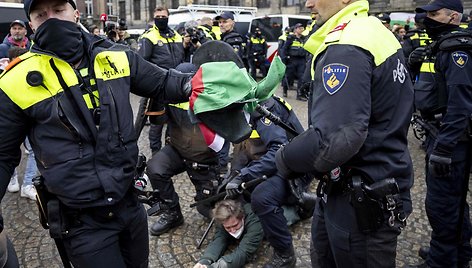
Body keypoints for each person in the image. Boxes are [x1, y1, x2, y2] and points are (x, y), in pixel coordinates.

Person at [0, 0, 192, 267]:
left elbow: (164, 82)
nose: (52, 19)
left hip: (129, 203)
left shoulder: (116, 55)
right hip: (81, 222)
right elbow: (2, 154)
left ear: (76, 13)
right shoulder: (14, 80)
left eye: (58, 10)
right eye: (41, 15)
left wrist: (208, 84)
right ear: (31, 24)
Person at [275, 0, 414, 267]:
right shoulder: (373, 29)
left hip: (359, 199)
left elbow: (335, 139)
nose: (308, 3)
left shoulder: (347, 43)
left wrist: (282, 160)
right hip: (364, 183)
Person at [411, 1, 472, 267]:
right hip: (440, 133)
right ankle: (457, 251)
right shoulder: (441, 46)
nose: (427, 18)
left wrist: (445, 148)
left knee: (442, 204)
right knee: (453, 201)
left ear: (453, 17)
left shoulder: (458, 50)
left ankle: (442, 259)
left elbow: (460, 105)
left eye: (434, 14)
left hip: (452, 140)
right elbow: (437, 90)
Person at [225, 95, 312, 268]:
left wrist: (244, 175)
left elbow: (277, 152)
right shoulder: (241, 106)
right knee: (236, 192)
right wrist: (234, 176)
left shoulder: (263, 109)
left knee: (262, 197)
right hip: (273, 164)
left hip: (294, 168)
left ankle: (285, 254)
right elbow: (243, 149)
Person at [145, 63, 225, 235]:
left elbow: (227, 132)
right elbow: (157, 122)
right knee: (155, 168)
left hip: (204, 158)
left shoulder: (212, 96)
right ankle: (172, 212)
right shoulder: (171, 95)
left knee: (206, 209)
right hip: (177, 150)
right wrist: (156, 98)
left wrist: (222, 163)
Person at [138, 6, 185, 155]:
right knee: (156, 122)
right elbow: (142, 62)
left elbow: (182, 58)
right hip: (157, 86)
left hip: (176, 86)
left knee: (174, 122)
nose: (160, 19)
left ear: (168, 17)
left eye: (163, 16)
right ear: (153, 18)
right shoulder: (149, 37)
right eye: (157, 17)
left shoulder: (176, 36)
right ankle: (156, 152)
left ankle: (171, 151)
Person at [193, 199, 263, 268]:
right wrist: (204, 261)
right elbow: (219, 240)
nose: (233, 230)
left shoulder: (254, 222)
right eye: (228, 227)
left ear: (242, 217)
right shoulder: (222, 219)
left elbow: (244, 252)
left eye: (235, 225)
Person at [282, 23, 307, 101]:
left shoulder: (303, 38)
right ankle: (285, 90)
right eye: (300, 28)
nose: (301, 30)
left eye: (302, 28)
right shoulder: (290, 38)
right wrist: (285, 58)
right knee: (289, 76)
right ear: (296, 29)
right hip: (291, 60)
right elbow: (284, 49)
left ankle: (299, 95)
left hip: (301, 60)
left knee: (301, 77)